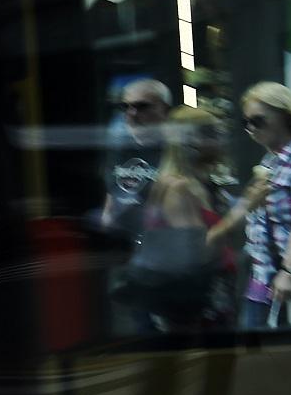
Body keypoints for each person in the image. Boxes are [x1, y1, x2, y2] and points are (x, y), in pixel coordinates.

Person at [211, 81, 291, 329]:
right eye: (246, 123)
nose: (251, 129)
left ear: (284, 116)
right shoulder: (269, 162)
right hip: (262, 279)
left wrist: (290, 271)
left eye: (258, 120)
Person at [114, 106, 234, 332]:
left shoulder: (206, 185)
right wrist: (245, 208)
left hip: (214, 291)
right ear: (189, 141)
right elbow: (198, 250)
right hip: (189, 304)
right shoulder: (176, 187)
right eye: (211, 133)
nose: (221, 139)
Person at [98, 77, 173, 242]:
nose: (132, 114)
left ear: (165, 110)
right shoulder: (119, 148)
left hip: (162, 242)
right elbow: (112, 192)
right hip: (122, 242)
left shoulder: (176, 150)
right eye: (125, 107)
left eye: (142, 106)